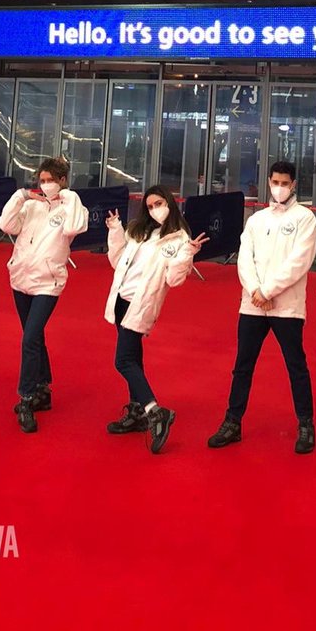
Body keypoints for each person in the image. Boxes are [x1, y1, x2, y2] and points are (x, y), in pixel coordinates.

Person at [207, 160, 316, 454]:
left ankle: (306, 423)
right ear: (268, 181)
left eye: (284, 183)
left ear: (293, 184)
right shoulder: (256, 220)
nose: (279, 188)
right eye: (275, 182)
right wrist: (256, 290)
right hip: (253, 305)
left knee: (296, 366)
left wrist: (269, 290)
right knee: (243, 366)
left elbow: (300, 262)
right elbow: (245, 258)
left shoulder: (305, 218)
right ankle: (233, 422)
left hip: (287, 307)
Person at [104, 186, 208, 453]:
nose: (154, 210)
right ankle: (137, 412)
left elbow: (173, 280)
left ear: (170, 203)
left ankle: (154, 411)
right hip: (120, 300)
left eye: (158, 203)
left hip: (141, 305)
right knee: (134, 358)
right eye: (150, 206)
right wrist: (115, 231)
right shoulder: (139, 231)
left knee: (123, 361)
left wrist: (188, 254)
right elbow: (117, 261)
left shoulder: (179, 239)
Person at [0, 156, 88, 433]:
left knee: (30, 338)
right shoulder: (32, 206)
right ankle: (42, 387)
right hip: (21, 278)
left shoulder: (73, 207)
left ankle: (25, 397)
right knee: (33, 336)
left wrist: (69, 195)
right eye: (42, 180)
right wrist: (21, 196)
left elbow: (73, 229)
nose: (46, 185)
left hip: (48, 283)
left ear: (62, 181)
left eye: (52, 180)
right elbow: (5, 225)